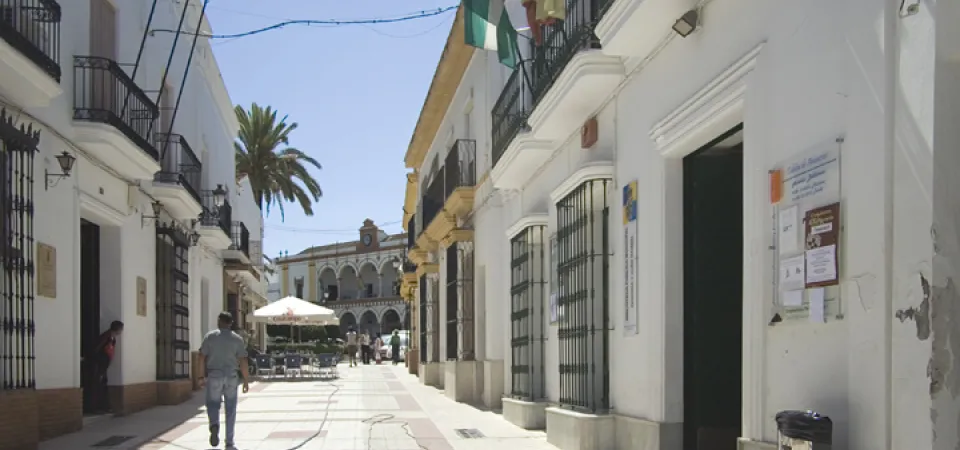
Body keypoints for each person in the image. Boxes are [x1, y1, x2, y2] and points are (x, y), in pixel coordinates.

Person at [198, 312, 250, 448]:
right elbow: (243, 361)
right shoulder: (237, 339)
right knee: (231, 408)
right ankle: (229, 442)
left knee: (212, 404)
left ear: (219, 321)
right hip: (232, 377)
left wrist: (200, 377)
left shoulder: (210, 337)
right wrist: (245, 380)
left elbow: (201, 357)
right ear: (231, 323)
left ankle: (214, 424)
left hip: (214, 375)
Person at [88, 321, 123, 413]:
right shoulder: (105, 337)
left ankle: (104, 407)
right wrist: (99, 363)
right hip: (99, 365)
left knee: (103, 385)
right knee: (97, 385)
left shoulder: (112, 339)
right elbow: (96, 350)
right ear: (118, 329)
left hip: (103, 366)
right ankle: (95, 408)